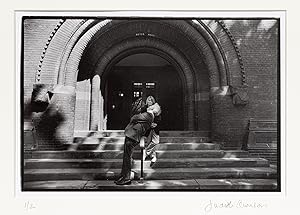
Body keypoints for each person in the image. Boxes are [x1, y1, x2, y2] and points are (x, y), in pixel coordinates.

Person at [115, 97, 161, 185]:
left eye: (152, 106)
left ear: (154, 109)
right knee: (126, 158)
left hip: (133, 136)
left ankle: (126, 178)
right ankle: (123, 176)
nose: (149, 106)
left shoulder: (149, 115)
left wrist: (136, 118)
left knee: (127, 158)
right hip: (131, 135)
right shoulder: (147, 115)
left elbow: (134, 118)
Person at [144, 96, 161, 167]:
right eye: (148, 100)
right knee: (148, 142)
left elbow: (159, 118)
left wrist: (156, 123)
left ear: (153, 101)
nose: (149, 101)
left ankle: (145, 152)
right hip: (147, 128)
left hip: (155, 128)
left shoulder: (156, 108)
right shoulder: (144, 109)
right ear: (146, 101)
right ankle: (153, 157)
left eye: (151, 100)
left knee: (155, 142)